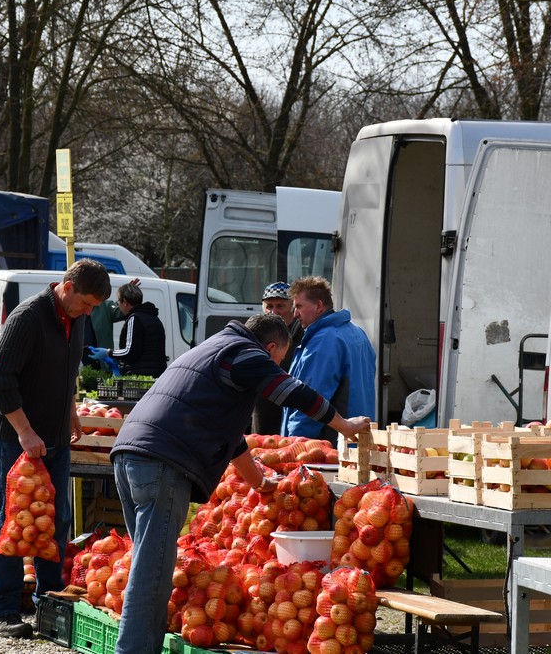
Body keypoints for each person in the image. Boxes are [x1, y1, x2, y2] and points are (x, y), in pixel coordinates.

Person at [110, 313, 372, 654]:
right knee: (154, 574)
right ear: (271, 347)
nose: (277, 367)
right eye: (278, 360)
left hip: (131, 453)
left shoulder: (213, 349)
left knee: (149, 565)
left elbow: (232, 439)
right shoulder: (244, 353)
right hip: (163, 461)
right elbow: (294, 392)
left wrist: (260, 482)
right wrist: (343, 424)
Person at [0, 258, 111, 639]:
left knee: (56, 523)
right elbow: (0, 380)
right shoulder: (27, 318)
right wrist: (24, 432)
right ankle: (4, 610)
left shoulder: (77, 317)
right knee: (12, 523)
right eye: (87, 303)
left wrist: (70, 408)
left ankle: (48, 604)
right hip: (16, 441)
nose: (90, 312)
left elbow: (65, 370)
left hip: (54, 439)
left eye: (94, 307)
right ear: (67, 288)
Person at [282, 276, 376, 445]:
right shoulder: (357, 333)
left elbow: (310, 401)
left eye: (299, 306)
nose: (295, 314)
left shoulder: (324, 341)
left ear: (319, 306)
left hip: (327, 448)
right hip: (356, 441)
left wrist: (295, 444)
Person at [250, 281, 303, 435]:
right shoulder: (256, 333)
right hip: (262, 419)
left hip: (292, 417)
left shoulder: (303, 336)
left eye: (280, 306)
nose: (274, 311)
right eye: (270, 306)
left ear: (292, 308)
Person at [91, 281, 167, 377]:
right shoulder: (154, 318)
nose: (118, 305)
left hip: (139, 375)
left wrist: (107, 352)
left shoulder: (134, 319)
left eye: (119, 302)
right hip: (157, 375)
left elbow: (129, 351)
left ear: (125, 303)